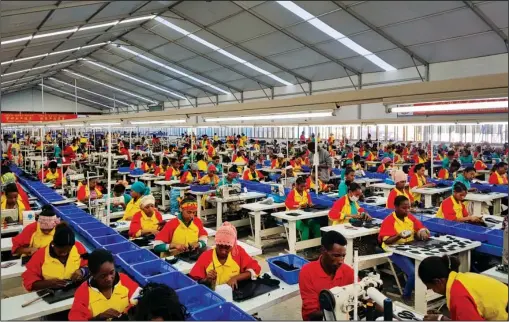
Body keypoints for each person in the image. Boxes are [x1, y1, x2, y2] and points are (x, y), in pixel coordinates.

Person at [418, 255, 508, 321]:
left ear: (438, 281)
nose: (434, 291)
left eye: (431, 287)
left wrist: (441, 319)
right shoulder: (463, 278)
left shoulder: (458, 296)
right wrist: (441, 318)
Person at [378, 195, 430, 302]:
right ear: (395, 207)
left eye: (408, 207)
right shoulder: (389, 220)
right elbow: (386, 241)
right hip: (392, 249)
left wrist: (422, 232)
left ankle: (423, 290)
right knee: (413, 273)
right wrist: (399, 236)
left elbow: (420, 227)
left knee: (427, 263)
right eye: (404, 208)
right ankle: (406, 296)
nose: (407, 210)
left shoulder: (409, 217)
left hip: (408, 247)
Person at [69, 249, 141, 321]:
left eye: (112, 272)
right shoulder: (83, 292)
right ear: (93, 274)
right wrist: (98, 318)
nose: (109, 279)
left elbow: (140, 299)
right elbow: (76, 318)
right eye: (103, 276)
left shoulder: (124, 280)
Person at [299, 231, 354, 321]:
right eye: (336, 255)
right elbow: (312, 313)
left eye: (343, 256)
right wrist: (340, 312)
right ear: (323, 250)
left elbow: (362, 291)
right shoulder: (307, 272)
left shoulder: (347, 271)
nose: (341, 261)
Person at [189, 222, 260, 289]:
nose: (223, 251)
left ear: (232, 245)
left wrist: (235, 278)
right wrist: (207, 279)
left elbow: (255, 269)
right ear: (216, 243)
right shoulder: (206, 257)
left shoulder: (238, 252)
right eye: (220, 247)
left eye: (227, 247)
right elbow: (193, 281)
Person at [22, 223, 88, 292]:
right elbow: (28, 281)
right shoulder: (41, 255)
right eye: (60, 251)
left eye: (68, 250)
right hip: (50, 295)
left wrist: (82, 271)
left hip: (74, 292)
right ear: (53, 244)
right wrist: (48, 283)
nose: (64, 254)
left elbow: (91, 267)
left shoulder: (78, 248)